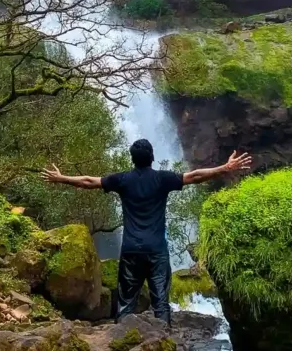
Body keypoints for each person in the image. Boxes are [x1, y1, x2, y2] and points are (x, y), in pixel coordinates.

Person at [41, 139, 252, 325]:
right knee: (161, 302)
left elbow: (89, 181)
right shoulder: (163, 178)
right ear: (152, 156)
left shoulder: (122, 180)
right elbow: (195, 176)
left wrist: (61, 178)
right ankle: (163, 339)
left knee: (126, 303)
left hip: (131, 250)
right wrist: (225, 167)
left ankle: (122, 339)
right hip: (156, 251)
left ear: (132, 159)